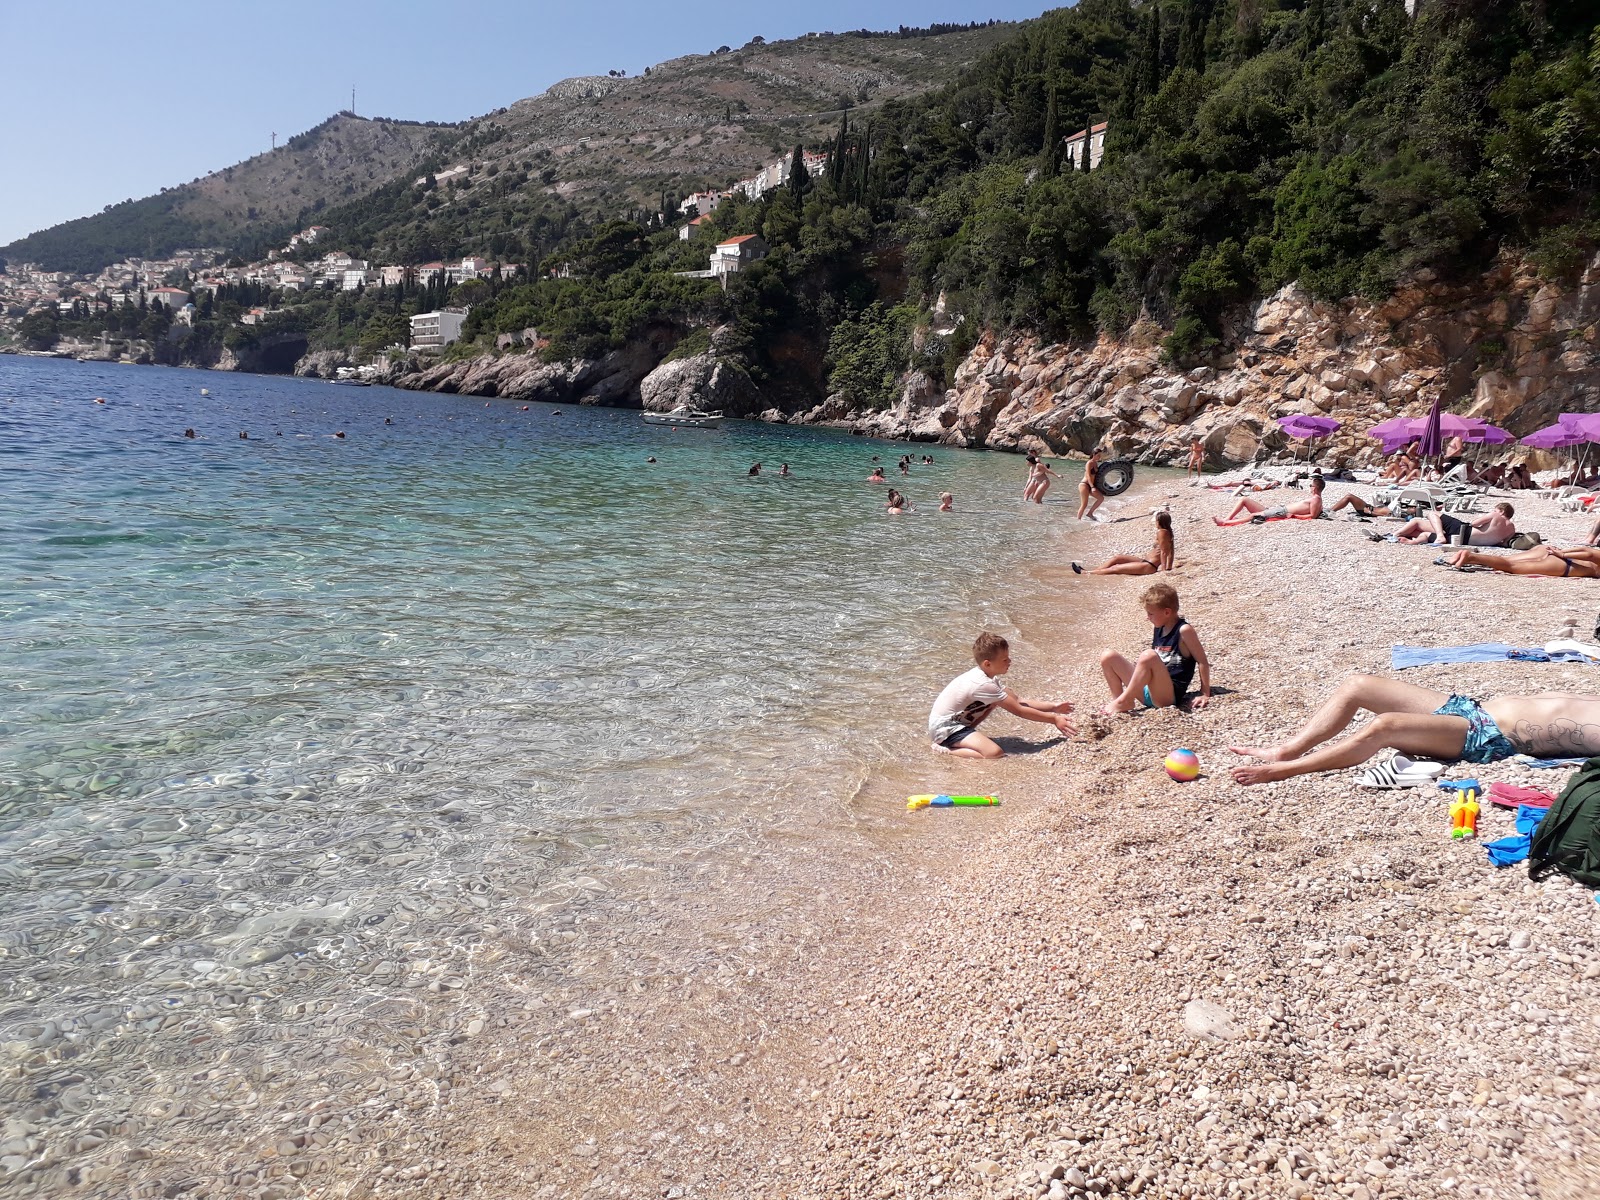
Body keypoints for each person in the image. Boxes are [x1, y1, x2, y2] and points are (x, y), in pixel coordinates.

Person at [1229, 676, 1600, 785]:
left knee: (1385, 727)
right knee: (1358, 685)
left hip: (1488, 738)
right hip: (1475, 707)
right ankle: (1287, 750)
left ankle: (1283, 770)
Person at [928, 632, 1077, 759]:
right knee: (994, 753)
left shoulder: (991, 680)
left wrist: (1054, 707)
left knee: (992, 704)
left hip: (959, 723)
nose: (1010, 661)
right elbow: (1019, 710)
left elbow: (1018, 701)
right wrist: (1053, 719)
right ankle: (948, 749)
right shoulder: (982, 684)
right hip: (945, 729)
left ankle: (961, 740)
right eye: (1005, 660)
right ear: (987, 664)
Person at [1099, 583, 1212, 714]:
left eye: (1151, 614)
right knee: (1108, 656)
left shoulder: (1184, 631)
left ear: (1167, 612)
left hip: (1167, 696)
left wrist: (1205, 693)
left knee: (1149, 655)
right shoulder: (1159, 628)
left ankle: (1124, 700)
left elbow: (1202, 661)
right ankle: (1120, 701)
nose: (1148, 617)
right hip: (1148, 689)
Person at [1073, 511, 1175, 575]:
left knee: (1115, 568)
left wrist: (1164, 570)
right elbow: (1171, 550)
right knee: (1117, 557)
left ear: (1160, 522)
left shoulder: (1162, 532)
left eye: (1156, 520)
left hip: (1149, 566)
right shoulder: (1168, 532)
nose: (1155, 522)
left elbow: (1164, 552)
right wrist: (1169, 566)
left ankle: (1085, 572)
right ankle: (1095, 571)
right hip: (1146, 562)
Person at [1215, 476, 1324, 525]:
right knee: (1244, 499)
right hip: (1279, 509)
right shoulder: (1317, 500)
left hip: (1282, 512)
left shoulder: (1316, 499)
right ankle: (1228, 518)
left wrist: (1294, 516)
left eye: (1310, 485)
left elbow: (1313, 516)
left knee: (1254, 515)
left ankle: (1225, 522)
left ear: (1314, 488)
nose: (1310, 487)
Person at [1394, 502, 1515, 546]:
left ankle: (1440, 535)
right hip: (1464, 541)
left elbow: (1474, 523)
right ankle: (1405, 537)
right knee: (1420, 526)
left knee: (1433, 513)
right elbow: (1504, 543)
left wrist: (1488, 517)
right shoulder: (1511, 528)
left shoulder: (1496, 516)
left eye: (1496, 509)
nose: (1494, 511)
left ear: (1502, 511)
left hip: (1465, 531)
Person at [1445, 544, 1600, 578]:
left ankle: (1465, 557)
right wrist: (1562, 555)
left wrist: (1560, 551)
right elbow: (1589, 555)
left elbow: (1588, 550)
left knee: (1504, 560)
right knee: (1510, 566)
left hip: (1554, 552)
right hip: (1565, 565)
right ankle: (1470, 557)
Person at [1078, 451, 1105, 521]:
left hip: (1091, 485)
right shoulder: (1089, 463)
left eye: (1100, 455)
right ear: (1094, 454)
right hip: (1085, 484)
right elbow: (1088, 475)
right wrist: (1092, 487)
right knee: (1084, 504)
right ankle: (1078, 520)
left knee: (1101, 498)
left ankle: (1090, 513)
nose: (1099, 457)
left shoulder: (1095, 463)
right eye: (1098, 455)